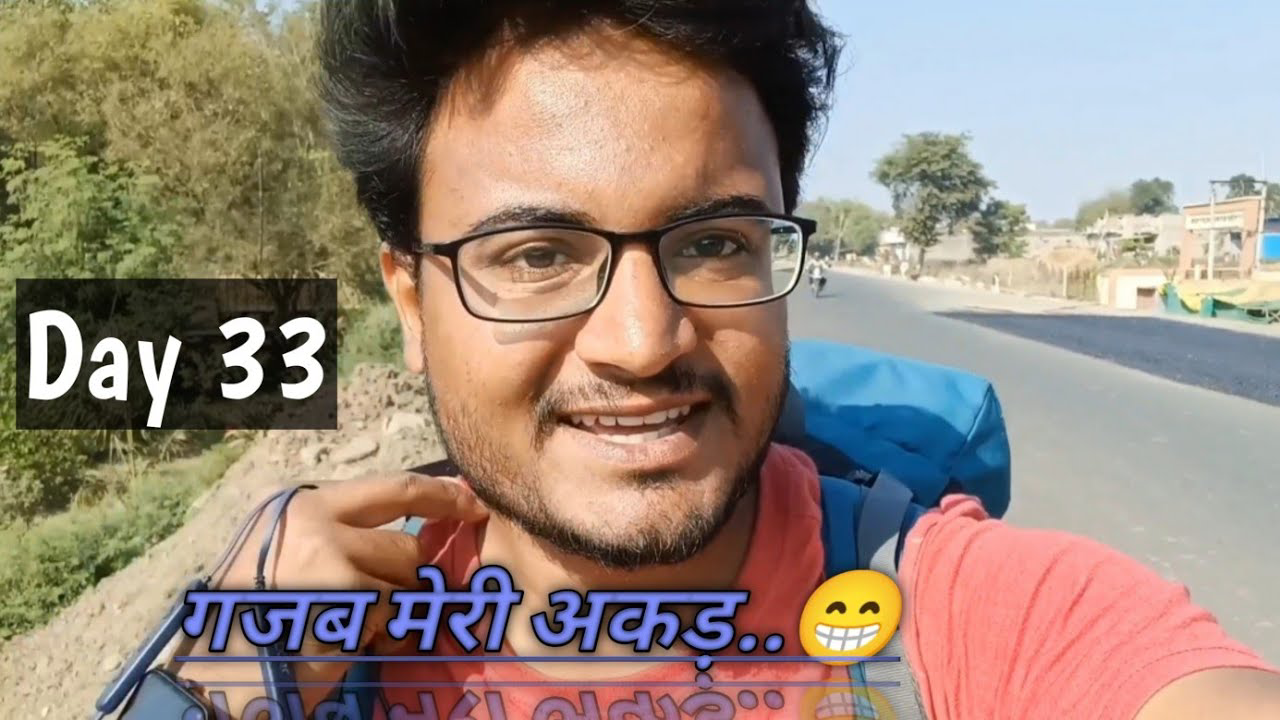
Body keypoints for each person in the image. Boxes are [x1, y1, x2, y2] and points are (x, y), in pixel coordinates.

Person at [171, 1, 1280, 718]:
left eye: (711, 244)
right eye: (536, 255)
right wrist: (209, 696)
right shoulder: (310, 661)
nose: (642, 343)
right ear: (411, 300)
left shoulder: (970, 617)